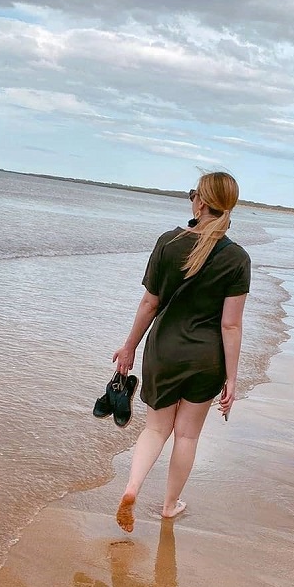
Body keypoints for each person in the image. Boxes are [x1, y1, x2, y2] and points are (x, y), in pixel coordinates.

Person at [112, 171, 250, 532]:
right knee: (187, 436)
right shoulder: (237, 258)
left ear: (200, 202)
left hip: (164, 351)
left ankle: (131, 488)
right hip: (207, 358)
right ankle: (170, 506)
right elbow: (230, 325)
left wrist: (129, 348)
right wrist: (232, 379)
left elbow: (149, 303)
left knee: (156, 429)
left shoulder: (168, 242)